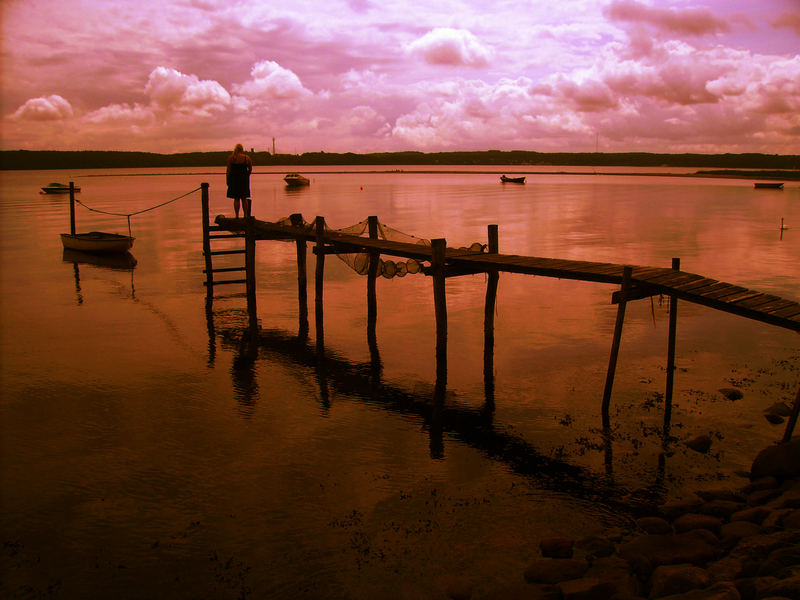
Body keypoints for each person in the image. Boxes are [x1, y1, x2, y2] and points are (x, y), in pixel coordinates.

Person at [226, 143, 253, 218]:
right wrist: (247, 175)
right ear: (242, 149)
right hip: (244, 179)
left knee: (236, 198)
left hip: (234, 180)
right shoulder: (246, 158)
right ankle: (245, 215)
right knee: (244, 198)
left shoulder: (231, 158)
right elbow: (250, 169)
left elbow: (228, 171)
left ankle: (237, 215)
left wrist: (227, 180)